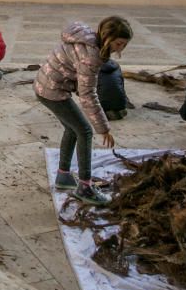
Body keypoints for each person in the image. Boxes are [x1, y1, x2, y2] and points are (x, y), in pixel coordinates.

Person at [34, 17, 133, 206]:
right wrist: (103, 128)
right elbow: (88, 95)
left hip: (46, 83)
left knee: (73, 128)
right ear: (107, 37)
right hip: (51, 90)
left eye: (124, 44)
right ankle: (85, 187)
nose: (121, 49)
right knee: (85, 131)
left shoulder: (86, 38)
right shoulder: (91, 57)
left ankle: (63, 176)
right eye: (119, 43)